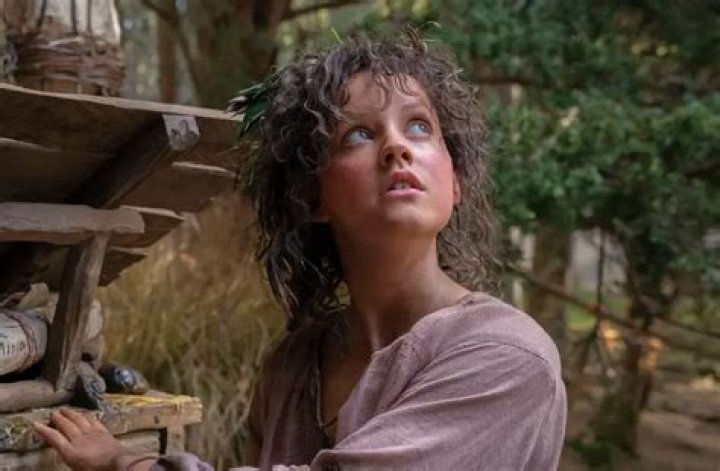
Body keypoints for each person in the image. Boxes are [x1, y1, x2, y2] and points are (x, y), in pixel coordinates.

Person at [34, 32, 567, 470]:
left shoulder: (506, 358)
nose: (397, 147)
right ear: (311, 197)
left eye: (419, 126)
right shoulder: (293, 368)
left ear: (456, 182)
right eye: (357, 135)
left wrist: (125, 463)